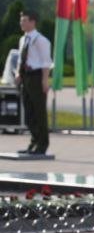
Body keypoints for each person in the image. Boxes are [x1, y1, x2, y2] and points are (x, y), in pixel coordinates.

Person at [17, 11, 52, 154]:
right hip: (26, 77)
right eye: (21, 20)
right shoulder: (23, 39)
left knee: (39, 112)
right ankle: (34, 140)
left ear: (33, 22)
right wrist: (18, 74)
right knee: (28, 113)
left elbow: (46, 62)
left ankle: (43, 144)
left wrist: (45, 80)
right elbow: (21, 59)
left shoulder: (41, 40)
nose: (21, 23)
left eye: (24, 20)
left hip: (37, 77)